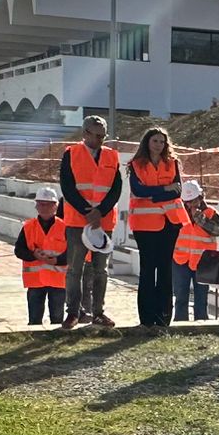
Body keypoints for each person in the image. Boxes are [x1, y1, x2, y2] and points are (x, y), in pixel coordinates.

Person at [59, 115, 120, 328]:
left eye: (102, 136)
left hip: (103, 222)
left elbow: (115, 188)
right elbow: (67, 187)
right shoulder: (71, 154)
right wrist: (87, 211)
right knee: (75, 269)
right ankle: (73, 312)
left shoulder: (112, 156)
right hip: (77, 220)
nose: (99, 140)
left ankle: (98, 312)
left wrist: (100, 212)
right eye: (95, 135)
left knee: (100, 270)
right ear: (85, 133)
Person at [126, 128, 184, 329]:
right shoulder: (136, 165)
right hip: (145, 225)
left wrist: (155, 194)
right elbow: (138, 190)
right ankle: (147, 318)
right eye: (155, 141)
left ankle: (163, 318)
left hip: (170, 222)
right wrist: (163, 190)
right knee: (148, 270)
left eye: (162, 141)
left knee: (165, 270)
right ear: (147, 142)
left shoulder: (173, 163)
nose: (159, 144)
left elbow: (177, 190)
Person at [15, 186, 70, 326]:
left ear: (55, 206)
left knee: (57, 319)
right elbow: (19, 250)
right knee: (34, 320)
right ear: (36, 206)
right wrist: (33, 255)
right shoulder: (28, 227)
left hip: (58, 281)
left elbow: (72, 253)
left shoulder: (64, 227)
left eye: (47, 204)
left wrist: (57, 260)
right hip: (35, 282)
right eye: (40, 204)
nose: (43, 207)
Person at [171, 181, 219, 323]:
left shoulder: (212, 213)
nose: (189, 205)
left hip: (203, 262)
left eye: (192, 201)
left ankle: (201, 324)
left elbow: (216, 231)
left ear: (200, 197)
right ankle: (180, 324)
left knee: (201, 298)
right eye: (186, 202)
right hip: (181, 260)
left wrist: (200, 218)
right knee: (180, 296)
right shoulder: (179, 213)